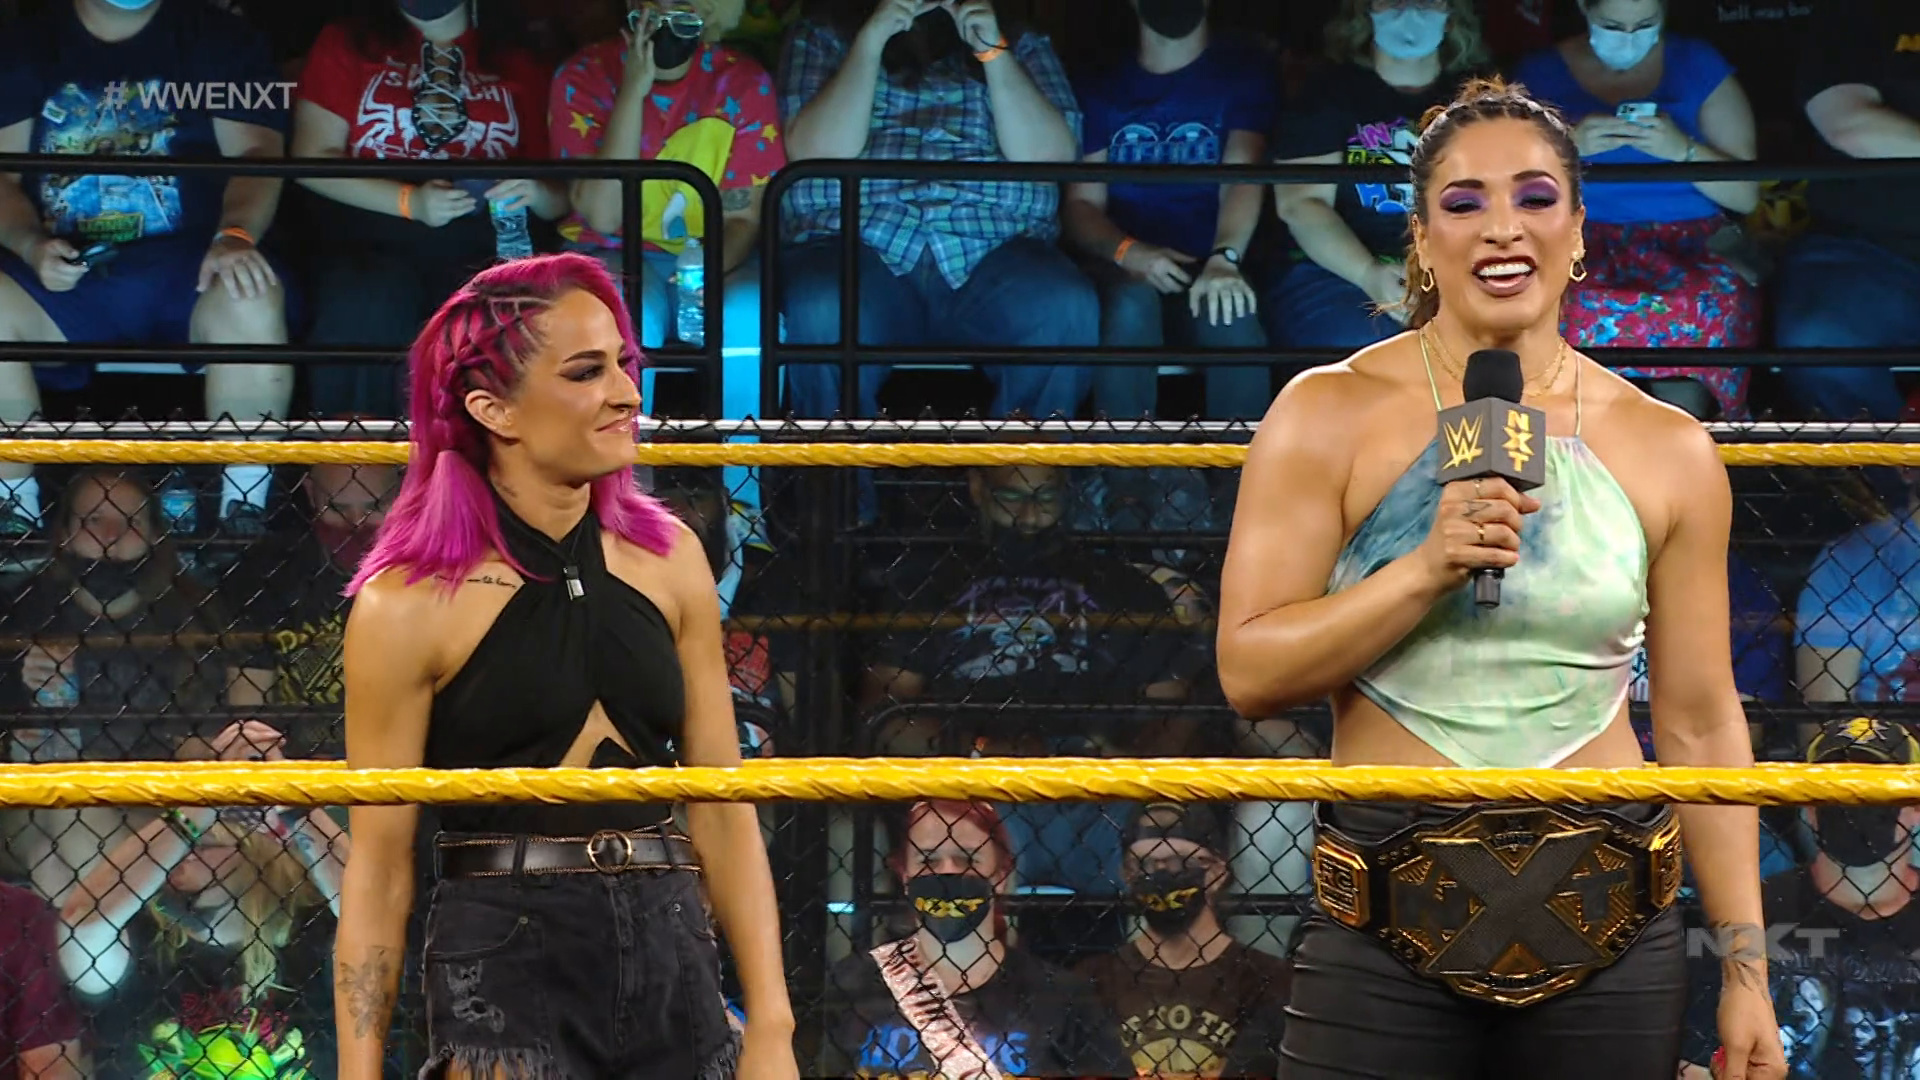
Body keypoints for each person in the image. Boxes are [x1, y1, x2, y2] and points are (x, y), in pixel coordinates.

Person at [1215, 76, 1785, 1078]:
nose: (1501, 228)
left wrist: (1748, 973)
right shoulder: (1326, 412)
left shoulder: (1667, 447)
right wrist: (1423, 569)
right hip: (1384, 912)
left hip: (1608, 916)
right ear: (1422, 239)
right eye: (1464, 201)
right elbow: (1251, 673)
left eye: (1534, 197)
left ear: (1578, 231)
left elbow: (1700, 722)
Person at [331, 252, 795, 1080]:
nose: (627, 393)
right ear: (493, 408)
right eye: (587, 372)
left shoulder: (670, 556)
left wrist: (773, 1024)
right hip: (504, 951)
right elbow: (378, 870)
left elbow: (724, 806)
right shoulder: (404, 604)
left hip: (669, 929)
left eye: (623, 363)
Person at [0, 0, 295, 538]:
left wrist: (235, 235)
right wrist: (30, 245)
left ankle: (244, 511)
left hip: (193, 270)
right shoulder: (22, 44)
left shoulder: (223, 38)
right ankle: (12, 511)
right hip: (62, 277)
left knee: (250, 290)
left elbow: (258, 152)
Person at [290, 0, 566, 421]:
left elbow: (563, 192)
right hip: (371, 238)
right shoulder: (349, 41)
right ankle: (360, 451)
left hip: (484, 239)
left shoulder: (520, 53)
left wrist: (535, 192)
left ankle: (474, 448)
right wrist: (409, 201)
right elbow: (310, 160)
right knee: (365, 299)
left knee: (493, 303)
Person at [1515, 0, 1761, 421]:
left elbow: (1746, 195)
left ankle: (1682, 434)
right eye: (1613, 26)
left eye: (1645, 25)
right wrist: (1562, 148)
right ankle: (1585, 438)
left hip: (1690, 238)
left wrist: (1681, 150)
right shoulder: (1537, 73)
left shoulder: (1697, 64)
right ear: (1584, 9)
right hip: (1578, 237)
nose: (1629, 39)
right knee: (1564, 301)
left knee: (1706, 300)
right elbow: (1502, 185)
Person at [58, 720, 345, 1078]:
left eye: (204, 844)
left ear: (254, 853)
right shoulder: (141, 938)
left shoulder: (310, 928)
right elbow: (82, 923)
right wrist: (203, 798)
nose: (182, 856)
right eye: (180, 842)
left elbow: (370, 905)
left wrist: (290, 794)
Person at [1678, 717, 1920, 1080]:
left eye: (1875, 789)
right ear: (1808, 805)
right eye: (1836, 788)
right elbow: (1695, 1066)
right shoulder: (1748, 910)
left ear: (1915, 806)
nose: (1855, 802)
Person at [818, 799, 1130, 1078]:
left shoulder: (1060, 995)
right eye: (929, 861)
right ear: (905, 876)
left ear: (1000, 875)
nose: (948, 873)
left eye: (967, 860)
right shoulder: (853, 981)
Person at [1260, 0, 1488, 350]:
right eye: (1392, 0)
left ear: (1451, 15)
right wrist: (1367, 273)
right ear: (1365, 11)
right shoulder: (1326, 94)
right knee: (1371, 344)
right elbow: (1302, 204)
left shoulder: (1483, 98)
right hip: (1334, 271)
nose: (1409, 12)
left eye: (1426, 1)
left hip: (1452, 268)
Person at [1075, 802, 1291, 1079]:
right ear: (1127, 876)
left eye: (1178, 862)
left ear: (1216, 873)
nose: (1161, 874)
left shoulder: (1267, 980)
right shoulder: (1093, 980)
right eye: (1145, 864)